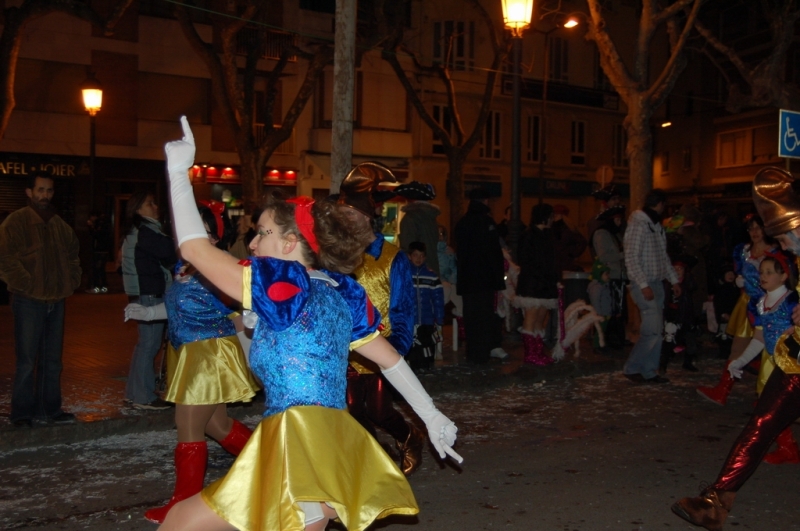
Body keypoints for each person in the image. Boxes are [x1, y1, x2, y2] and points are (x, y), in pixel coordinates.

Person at [158, 117, 461, 531]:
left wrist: (178, 173)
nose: (252, 243)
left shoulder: (285, 282)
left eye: (262, 233)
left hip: (295, 436)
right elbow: (388, 359)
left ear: (289, 244)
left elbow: (194, 248)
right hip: (325, 436)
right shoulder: (340, 290)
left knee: (181, 521)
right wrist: (430, 414)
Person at [671, 167, 800, 530]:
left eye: (786, 237)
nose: (783, 246)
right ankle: (715, 502)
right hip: (793, 365)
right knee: (759, 425)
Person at [125, 204, 260, 524]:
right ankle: (272, 465)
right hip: (191, 353)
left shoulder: (221, 266)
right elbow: (181, 307)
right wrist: (149, 312)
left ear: (212, 234)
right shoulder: (185, 267)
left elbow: (241, 316)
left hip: (209, 355)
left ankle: (181, 507)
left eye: (195, 227)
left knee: (188, 428)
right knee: (217, 426)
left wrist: (253, 360)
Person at [336, 162, 427, 476]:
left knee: (378, 410)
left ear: (365, 218)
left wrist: (392, 353)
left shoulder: (393, 258)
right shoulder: (333, 257)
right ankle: (378, 459)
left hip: (380, 348)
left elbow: (403, 312)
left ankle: (408, 436)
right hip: (343, 351)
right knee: (348, 410)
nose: (343, 222)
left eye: (349, 216)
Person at [0, 173, 81, 427]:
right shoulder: (16, 222)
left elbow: (73, 256)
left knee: (52, 360)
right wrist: (26, 284)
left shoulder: (59, 224)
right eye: (40, 190)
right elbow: (6, 259)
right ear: (29, 192)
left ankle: (49, 409)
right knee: (26, 360)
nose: (45, 195)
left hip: (56, 301)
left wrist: (71, 281)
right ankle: (22, 412)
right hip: (28, 301)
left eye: (49, 190)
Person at [696, 214, 777, 406]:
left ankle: (768, 397)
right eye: (751, 229)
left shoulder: (776, 252)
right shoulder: (743, 251)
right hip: (746, 305)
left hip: (769, 306)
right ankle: (722, 390)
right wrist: (738, 281)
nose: (755, 232)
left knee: (772, 352)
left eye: (759, 228)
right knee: (738, 349)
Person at [121, 191, 177, 410]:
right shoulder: (146, 232)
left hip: (143, 291)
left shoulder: (139, 231)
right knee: (149, 345)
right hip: (150, 293)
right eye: (149, 203)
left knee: (145, 344)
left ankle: (134, 393)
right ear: (137, 209)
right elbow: (169, 252)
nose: (155, 207)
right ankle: (143, 396)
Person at [622, 189, 680, 384]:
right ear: (660, 204)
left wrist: (673, 280)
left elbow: (662, 257)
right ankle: (633, 367)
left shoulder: (655, 225)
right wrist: (643, 284)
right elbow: (631, 257)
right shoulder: (639, 224)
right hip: (645, 284)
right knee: (653, 330)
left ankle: (648, 370)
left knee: (656, 330)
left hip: (656, 283)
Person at [454, 188, 507, 364]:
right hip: (485, 279)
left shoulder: (463, 223)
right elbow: (494, 254)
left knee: (471, 316)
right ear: (485, 202)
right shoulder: (487, 222)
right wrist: (498, 279)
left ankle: (473, 352)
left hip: (468, 279)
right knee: (484, 316)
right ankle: (483, 352)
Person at [514, 203, 559, 366]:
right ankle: (530, 352)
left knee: (541, 318)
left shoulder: (547, 235)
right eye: (551, 216)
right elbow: (526, 260)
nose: (553, 220)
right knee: (531, 318)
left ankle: (538, 350)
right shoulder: (529, 235)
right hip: (533, 284)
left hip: (545, 283)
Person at [590, 205, 628, 348]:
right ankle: (605, 340)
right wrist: (622, 255)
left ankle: (617, 339)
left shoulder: (616, 234)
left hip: (620, 276)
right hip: (610, 276)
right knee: (609, 310)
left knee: (619, 311)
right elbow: (603, 256)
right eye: (617, 219)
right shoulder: (602, 234)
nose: (619, 223)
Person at [406, 241, 444, 372]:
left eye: (421, 256)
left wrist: (439, 317)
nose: (418, 259)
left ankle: (427, 365)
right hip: (410, 319)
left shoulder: (431, 276)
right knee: (413, 345)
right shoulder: (404, 275)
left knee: (427, 343)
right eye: (415, 255)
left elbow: (438, 298)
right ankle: (414, 365)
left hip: (427, 319)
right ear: (409, 256)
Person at [659, 256, 698, 373]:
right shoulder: (666, 284)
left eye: (680, 268)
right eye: (674, 268)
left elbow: (692, 294)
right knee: (669, 339)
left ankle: (688, 362)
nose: (677, 271)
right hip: (672, 315)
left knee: (690, 340)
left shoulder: (688, 283)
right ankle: (663, 364)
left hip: (686, 315)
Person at [397, 181, 440, 276]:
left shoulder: (410, 218)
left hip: (416, 272)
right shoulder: (431, 218)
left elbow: (408, 246)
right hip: (431, 269)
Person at [437, 225, 462, 344]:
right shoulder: (431, 250)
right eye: (438, 233)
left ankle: (461, 332)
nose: (440, 236)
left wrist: (454, 280)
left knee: (460, 299)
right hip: (439, 281)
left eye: (442, 234)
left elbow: (453, 269)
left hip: (450, 281)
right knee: (445, 289)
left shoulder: (449, 251)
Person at [551, 204, 587, 275]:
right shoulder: (551, 227)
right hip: (554, 261)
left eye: (557, 214)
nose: (555, 215)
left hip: (565, 262)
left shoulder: (569, 229)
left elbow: (582, 242)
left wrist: (572, 253)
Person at [587, 258, 612, 351]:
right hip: (600, 313)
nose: (608, 276)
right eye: (606, 274)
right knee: (599, 330)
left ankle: (601, 344)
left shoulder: (604, 286)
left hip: (605, 312)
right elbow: (595, 301)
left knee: (603, 330)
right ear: (599, 275)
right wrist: (598, 312)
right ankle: (597, 345)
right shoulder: (596, 288)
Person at [86, 211, 112, 294]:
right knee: (101, 269)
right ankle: (103, 287)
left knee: (97, 269)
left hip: (99, 250)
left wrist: (91, 227)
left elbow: (96, 235)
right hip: (103, 250)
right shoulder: (106, 226)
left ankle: (97, 287)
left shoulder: (100, 225)